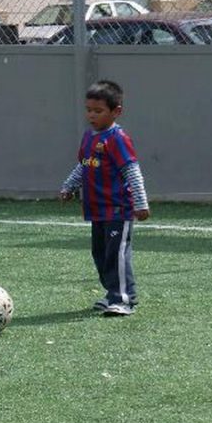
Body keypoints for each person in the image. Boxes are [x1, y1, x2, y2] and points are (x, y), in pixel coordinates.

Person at [59, 80, 150, 316]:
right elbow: (84, 165)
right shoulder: (89, 137)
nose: (92, 115)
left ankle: (124, 299)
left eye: (98, 111)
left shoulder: (117, 139)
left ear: (116, 111)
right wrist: (69, 186)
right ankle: (112, 294)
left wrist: (141, 203)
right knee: (100, 254)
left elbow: (132, 171)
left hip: (118, 210)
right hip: (96, 210)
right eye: (89, 110)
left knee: (117, 254)